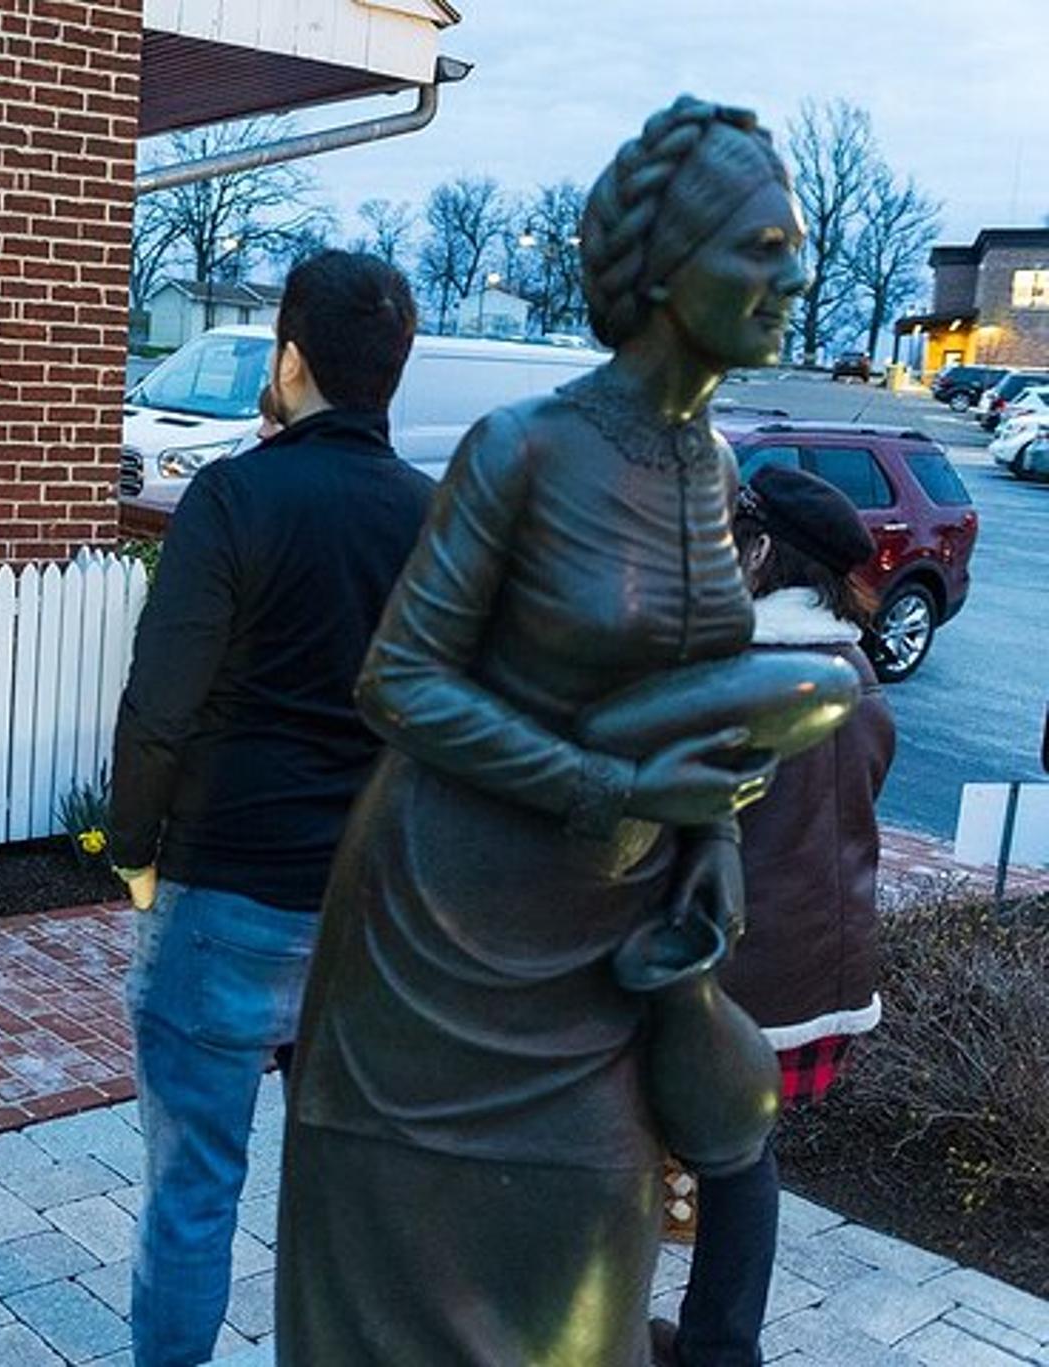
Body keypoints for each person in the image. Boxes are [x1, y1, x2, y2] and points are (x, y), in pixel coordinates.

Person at [276, 97, 810, 1365]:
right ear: (665, 267)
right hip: (441, 939)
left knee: (586, 1280)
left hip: (607, 942)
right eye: (761, 248)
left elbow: (701, 695)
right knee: (403, 1302)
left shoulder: (709, 467)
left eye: (796, 250)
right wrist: (604, 784)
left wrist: (708, 848)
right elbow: (397, 681)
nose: (794, 278)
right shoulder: (519, 447)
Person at [108, 251, 437, 1367]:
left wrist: (132, 850)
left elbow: (159, 701)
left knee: (193, 1187)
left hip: (225, 887)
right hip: (367, 910)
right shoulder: (432, 517)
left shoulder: (233, 496)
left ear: (289, 360)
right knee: (340, 1194)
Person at [653, 465, 893, 1367]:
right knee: (743, 1156)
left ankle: (622, 1331)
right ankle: (719, 1346)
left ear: (760, 554)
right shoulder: (857, 673)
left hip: (730, 971)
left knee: (637, 1145)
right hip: (824, 968)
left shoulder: (740, 681)